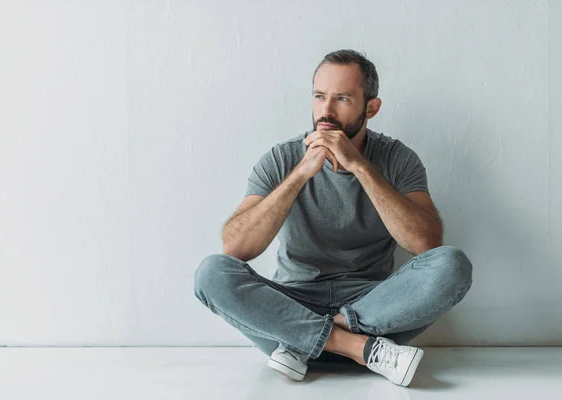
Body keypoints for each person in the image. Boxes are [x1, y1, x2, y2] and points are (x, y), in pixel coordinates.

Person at [193, 49, 473, 387]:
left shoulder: (397, 159)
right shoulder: (282, 158)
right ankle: (357, 348)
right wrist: (300, 174)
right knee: (211, 272)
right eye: (319, 96)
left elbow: (426, 244)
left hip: (374, 312)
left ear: (371, 107)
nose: (325, 110)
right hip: (293, 307)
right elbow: (234, 246)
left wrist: (358, 165)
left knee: (453, 264)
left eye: (341, 98)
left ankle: (320, 337)